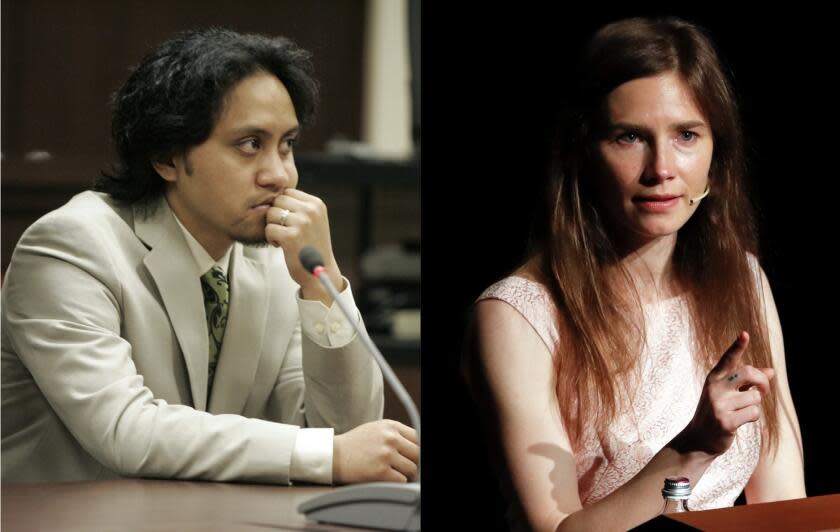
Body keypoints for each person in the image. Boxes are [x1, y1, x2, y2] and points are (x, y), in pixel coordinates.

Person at [1, 27, 419, 486]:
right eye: (250, 144)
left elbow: (347, 435)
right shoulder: (70, 246)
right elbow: (126, 430)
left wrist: (321, 285)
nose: (280, 175)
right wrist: (327, 454)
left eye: (288, 144)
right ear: (167, 157)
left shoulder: (273, 261)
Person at [463, 17, 806, 532]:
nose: (661, 168)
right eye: (629, 137)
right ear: (583, 151)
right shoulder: (517, 315)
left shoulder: (743, 279)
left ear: (716, 155)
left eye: (686, 135)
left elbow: (784, 509)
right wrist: (690, 451)